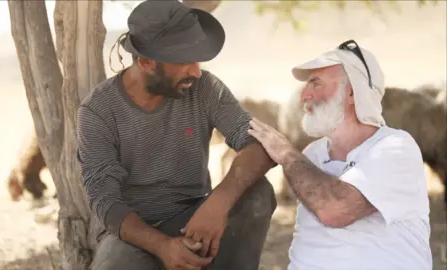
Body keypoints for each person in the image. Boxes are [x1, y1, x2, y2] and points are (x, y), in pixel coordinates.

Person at [76, 1, 277, 269]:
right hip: (135, 236)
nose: (196, 71)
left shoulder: (204, 88)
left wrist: (218, 204)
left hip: (196, 221)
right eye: (184, 61)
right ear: (147, 62)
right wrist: (163, 248)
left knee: (257, 192)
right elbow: (106, 201)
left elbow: (258, 145)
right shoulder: (98, 110)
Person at [248, 40, 433, 269]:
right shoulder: (312, 154)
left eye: (315, 84)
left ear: (353, 93)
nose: (304, 96)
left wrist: (286, 153)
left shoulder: (395, 147)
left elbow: (335, 210)